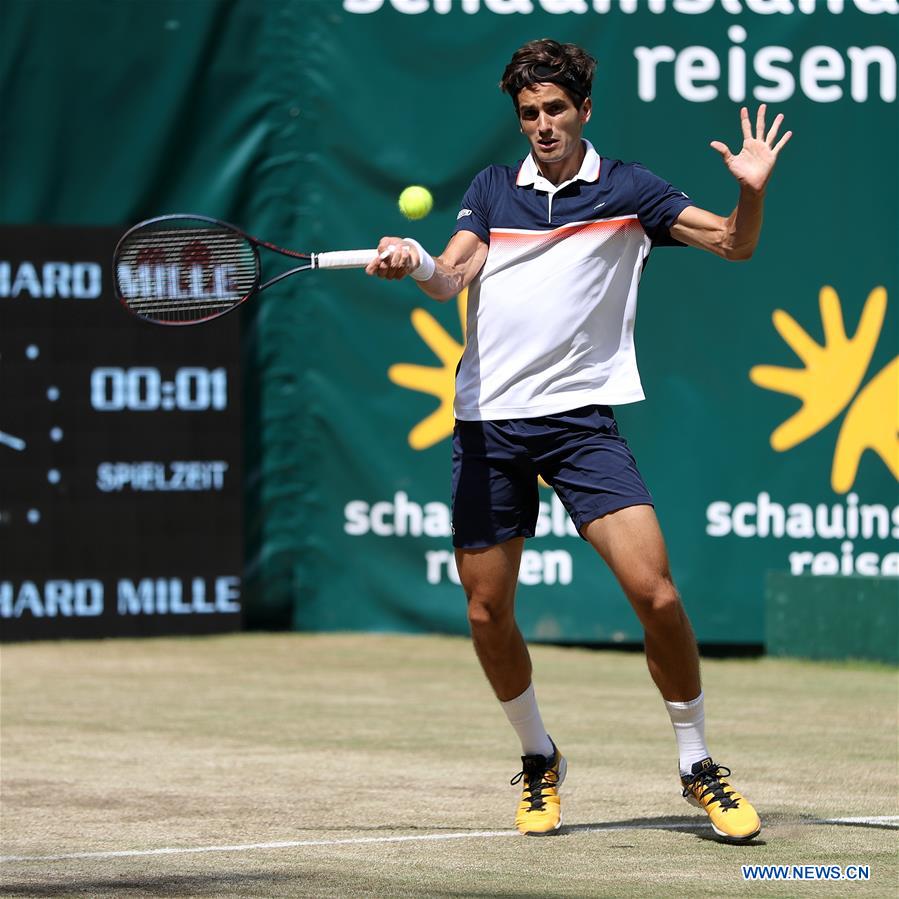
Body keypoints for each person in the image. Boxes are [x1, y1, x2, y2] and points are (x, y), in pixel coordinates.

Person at [365, 38, 791, 842]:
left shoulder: (631, 191)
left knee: (656, 594)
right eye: (528, 114)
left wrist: (751, 194)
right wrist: (415, 257)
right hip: (489, 425)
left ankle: (697, 763)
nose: (542, 125)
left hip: (579, 425)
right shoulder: (492, 189)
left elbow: (736, 243)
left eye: (555, 109)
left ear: (583, 110)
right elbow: (453, 275)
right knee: (488, 612)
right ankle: (538, 758)